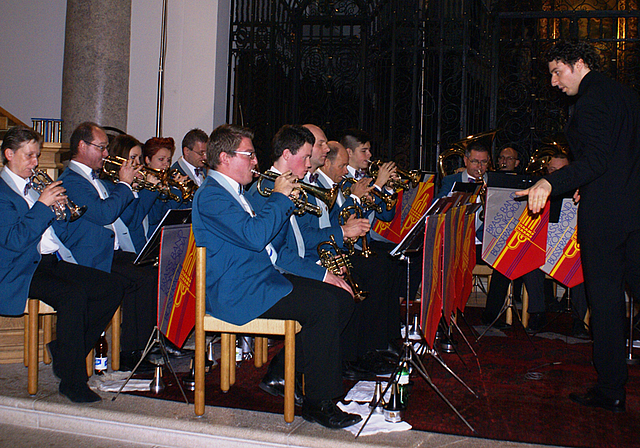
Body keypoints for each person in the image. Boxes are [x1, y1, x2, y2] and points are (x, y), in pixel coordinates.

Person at [192, 123, 361, 429]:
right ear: (225, 158)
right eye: (249, 155)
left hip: (258, 279)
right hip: (238, 291)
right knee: (324, 307)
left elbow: (270, 244)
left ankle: (296, 373)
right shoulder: (211, 195)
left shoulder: (233, 192)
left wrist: (288, 204)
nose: (255, 161)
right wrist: (281, 200)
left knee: (341, 298)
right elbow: (255, 236)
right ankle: (319, 402)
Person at [517, 40, 640, 413]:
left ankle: (610, 389)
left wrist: (550, 183)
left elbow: (598, 158)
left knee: (604, 305)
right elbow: (620, 157)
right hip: (633, 210)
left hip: (606, 220)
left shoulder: (589, 102)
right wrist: (590, 186)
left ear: (580, 63)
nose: (554, 82)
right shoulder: (626, 95)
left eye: (557, 71)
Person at [0, 125, 124, 402]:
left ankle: (66, 350)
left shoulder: (33, 187)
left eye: (37, 155)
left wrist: (61, 209)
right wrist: (43, 206)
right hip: (19, 269)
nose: (35, 162)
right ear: (9, 154)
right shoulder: (2, 193)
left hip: (49, 261)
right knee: (73, 295)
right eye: (30, 156)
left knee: (112, 286)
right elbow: (15, 240)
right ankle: (73, 380)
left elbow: (55, 224)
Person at [58, 122, 164, 371]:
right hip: (90, 257)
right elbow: (104, 214)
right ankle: (131, 352)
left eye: (106, 148)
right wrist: (125, 185)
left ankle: (140, 347)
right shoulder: (72, 181)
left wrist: (135, 188)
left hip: (111, 252)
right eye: (101, 148)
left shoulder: (96, 180)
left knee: (150, 273)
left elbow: (125, 216)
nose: (106, 154)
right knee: (141, 278)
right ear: (82, 146)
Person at [142, 137, 191, 238]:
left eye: (168, 160)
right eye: (161, 159)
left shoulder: (167, 180)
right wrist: (177, 192)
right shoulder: (143, 185)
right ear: (147, 160)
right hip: (152, 238)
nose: (166, 164)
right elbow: (155, 217)